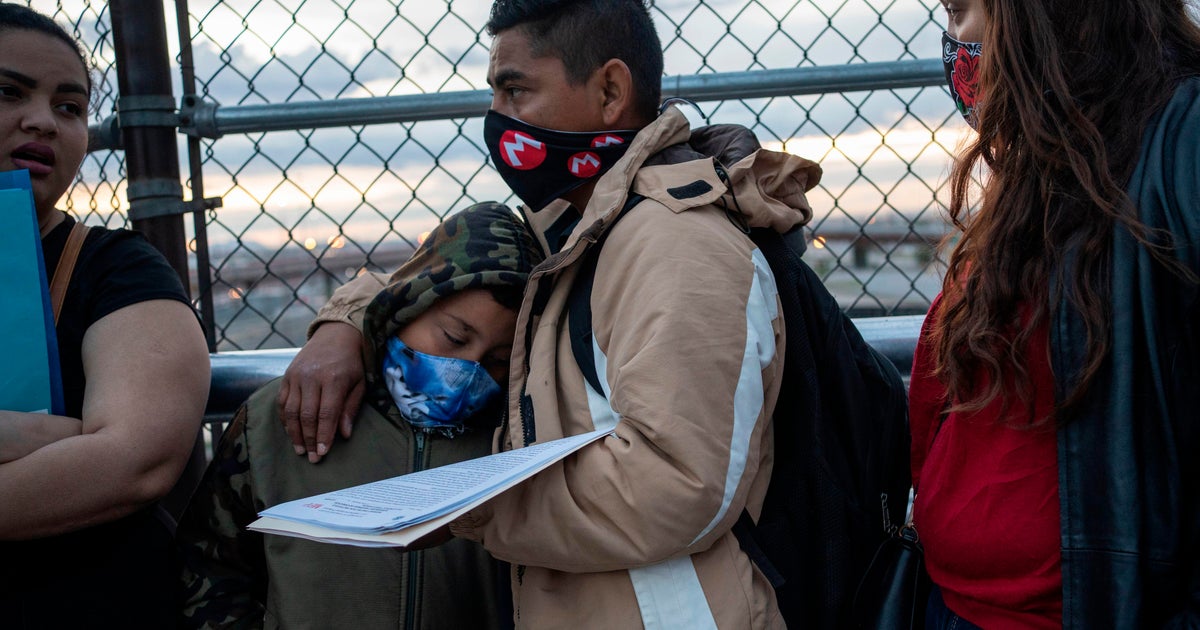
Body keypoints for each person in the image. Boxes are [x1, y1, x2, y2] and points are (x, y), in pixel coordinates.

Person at [281, 1, 823, 626]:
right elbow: (444, 277)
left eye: (517, 90)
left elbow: (679, 485)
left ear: (611, 91)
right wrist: (344, 324)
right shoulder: (573, 227)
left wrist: (467, 507)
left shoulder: (678, 247)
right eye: (495, 94)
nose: (497, 119)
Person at [908, 0, 1200, 627]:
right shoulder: (1034, 180)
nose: (954, 46)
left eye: (960, 14)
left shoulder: (1177, 149)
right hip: (957, 603)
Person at [177, 202, 543, 629]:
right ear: (405, 305)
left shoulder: (517, 434)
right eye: (454, 337)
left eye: (498, 359)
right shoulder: (286, 414)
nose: (467, 371)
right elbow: (208, 565)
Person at [0, 5, 211, 627]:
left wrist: (103, 448)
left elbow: (136, 461)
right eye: (8, 92)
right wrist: (64, 437)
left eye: (70, 107)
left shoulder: (114, 267)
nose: (43, 120)